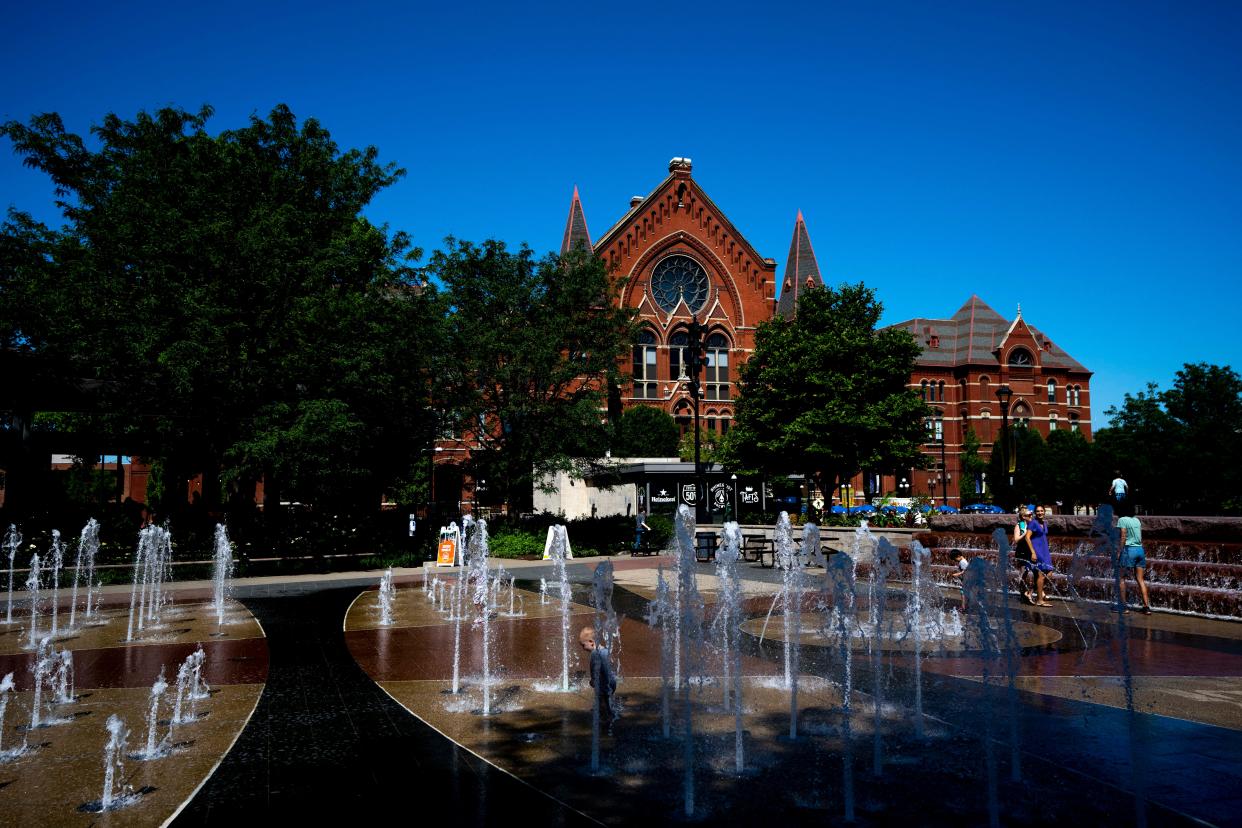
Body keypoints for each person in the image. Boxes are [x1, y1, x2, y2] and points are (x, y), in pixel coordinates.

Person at [579, 626, 618, 733]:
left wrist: (594, 681)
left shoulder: (595, 654)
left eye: (583, 645)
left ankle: (606, 722)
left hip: (604, 684)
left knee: (602, 703)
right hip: (610, 682)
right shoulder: (604, 651)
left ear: (591, 642)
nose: (583, 648)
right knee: (604, 702)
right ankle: (610, 714)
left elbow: (597, 670)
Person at [1115, 503, 1153, 615]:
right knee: (1140, 579)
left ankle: (1124, 607)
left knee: (1121, 578)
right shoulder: (1137, 520)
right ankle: (1146, 607)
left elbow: (1123, 535)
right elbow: (1140, 536)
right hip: (1139, 550)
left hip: (1128, 550)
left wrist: (1119, 551)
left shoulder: (1122, 520)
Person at [1027, 506, 1055, 607]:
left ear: (1044, 512)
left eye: (1041, 511)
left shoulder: (1044, 523)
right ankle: (1039, 600)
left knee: (1050, 573)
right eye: (1038, 511)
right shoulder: (1033, 523)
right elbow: (1027, 537)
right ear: (1035, 513)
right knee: (1041, 575)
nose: (1040, 513)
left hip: (1045, 551)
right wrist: (1033, 552)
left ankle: (1030, 592)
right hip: (1037, 551)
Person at [1013, 508, 1036, 603]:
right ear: (1023, 516)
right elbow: (1016, 540)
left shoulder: (1033, 524)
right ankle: (1022, 593)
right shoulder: (1019, 526)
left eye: (1031, 514)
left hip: (1032, 551)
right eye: (1029, 515)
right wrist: (1026, 534)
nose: (1031, 516)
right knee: (1023, 573)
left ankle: (1032, 592)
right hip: (1022, 552)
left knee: (1036, 572)